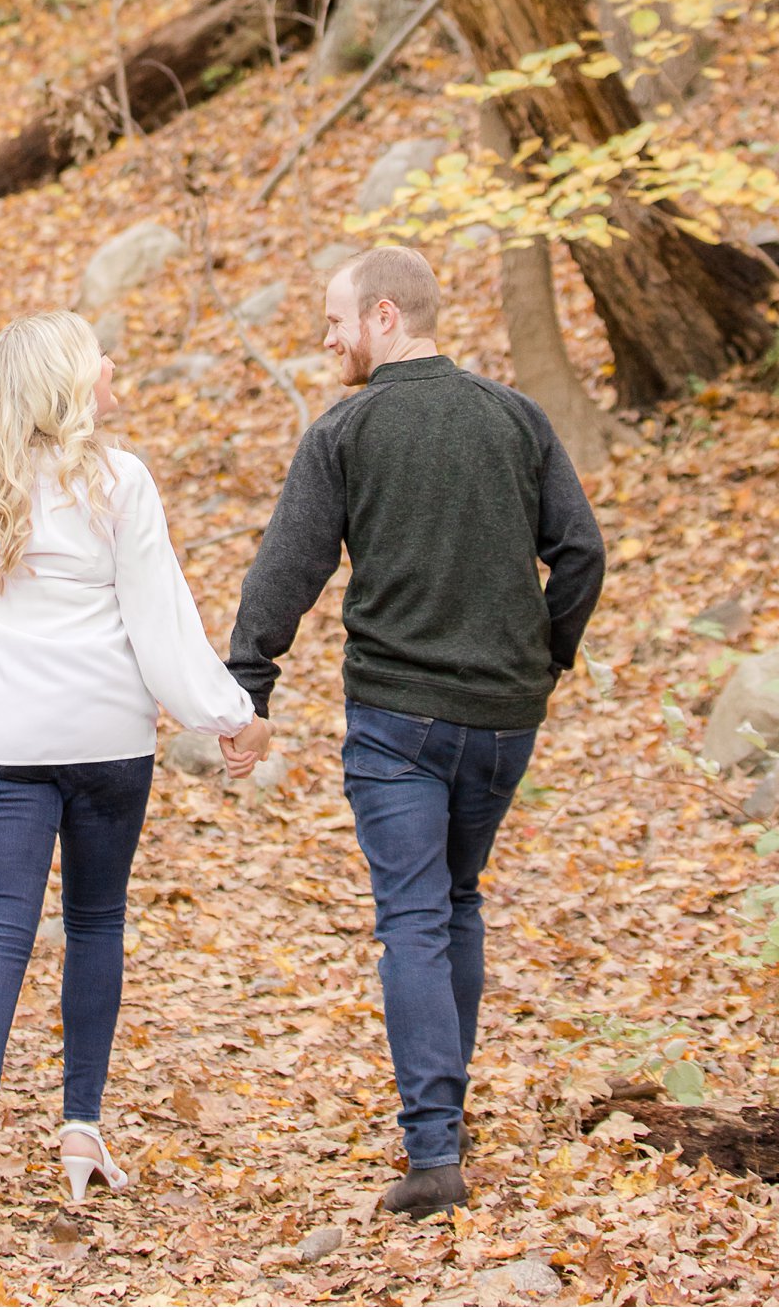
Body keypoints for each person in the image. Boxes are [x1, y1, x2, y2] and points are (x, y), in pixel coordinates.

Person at [223, 245, 605, 1215]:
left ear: (385, 317)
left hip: (396, 721)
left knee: (413, 919)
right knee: (453, 902)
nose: (326, 339)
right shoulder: (513, 418)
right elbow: (580, 554)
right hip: (501, 721)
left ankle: (434, 1150)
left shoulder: (345, 431)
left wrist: (248, 687)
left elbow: (285, 572)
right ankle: (446, 1119)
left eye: (335, 321)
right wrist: (543, 659)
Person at [0, 310, 268, 1237]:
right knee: (95, 922)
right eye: (97, 356)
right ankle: (80, 1131)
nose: (115, 364)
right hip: (108, 741)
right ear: (66, 385)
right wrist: (228, 713)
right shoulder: (119, 480)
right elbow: (161, 625)